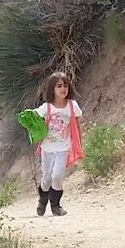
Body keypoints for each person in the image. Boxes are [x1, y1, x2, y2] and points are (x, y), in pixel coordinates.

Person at [28, 71, 84, 217]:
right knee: (46, 178)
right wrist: (27, 119)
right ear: (52, 89)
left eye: (65, 85)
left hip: (63, 147)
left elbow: (76, 124)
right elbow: (32, 120)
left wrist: (77, 143)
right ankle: (42, 200)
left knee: (57, 175)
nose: (63, 89)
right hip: (47, 148)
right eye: (59, 86)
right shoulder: (46, 108)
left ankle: (56, 206)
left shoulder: (72, 106)